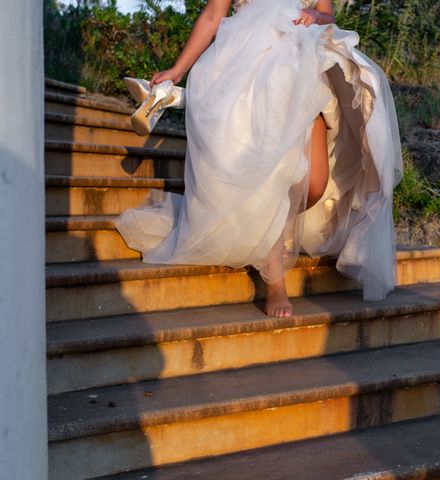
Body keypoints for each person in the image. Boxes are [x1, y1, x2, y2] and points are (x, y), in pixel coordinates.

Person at [114, 0, 403, 318]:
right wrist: (177, 71)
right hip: (246, 76)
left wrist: (316, 16)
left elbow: (327, 13)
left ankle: (268, 230)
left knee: (316, 184)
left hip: (301, 73)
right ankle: (276, 282)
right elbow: (213, 15)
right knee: (275, 179)